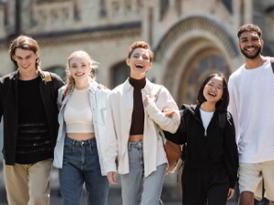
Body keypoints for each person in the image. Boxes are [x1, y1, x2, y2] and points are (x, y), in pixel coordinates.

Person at [0, 35, 65, 205]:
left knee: (38, 198)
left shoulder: (52, 83)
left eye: (28, 56)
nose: (24, 62)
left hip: (42, 154)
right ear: (14, 57)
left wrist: (93, 87)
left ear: (37, 54)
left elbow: (72, 104)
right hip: (14, 156)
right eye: (19, 57)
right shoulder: (4, 85)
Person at [228, 24, 274, 205]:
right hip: (248, 151)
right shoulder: (235, 79)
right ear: (239, 46)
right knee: (245, 197)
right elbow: (233, 120)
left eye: (253, 39)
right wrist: (232, 151)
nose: (249, 43)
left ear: (261, 42)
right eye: (244, 40)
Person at [105, 41, 180, 205]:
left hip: (155, 152)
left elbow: (173, 126)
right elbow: (110, 132)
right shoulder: (115, 95)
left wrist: (152, 108)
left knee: (149, 203)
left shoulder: (160, 92)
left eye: (145, 57)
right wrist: (109, 163)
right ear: (128, 61)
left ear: (150, 64)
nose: (140, 59)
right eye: (136, 56)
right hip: (128, 155)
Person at [164, 73, 238, 205]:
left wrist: (232, 181)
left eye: (219, 87)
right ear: (203, 87)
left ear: (223, 94)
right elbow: (178, 139)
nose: (213, 89)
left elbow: (231, 151)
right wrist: (166, 121)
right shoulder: (187, 114)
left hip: (218, 175)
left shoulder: (225, 118)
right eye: (210, 84)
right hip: (192, 174)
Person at [53, 50, 110, 205]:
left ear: (90, 67)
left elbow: (114, 124)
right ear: (69, 69)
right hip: (69, 154)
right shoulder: (62, 93)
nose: (79, 69)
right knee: (69, 202)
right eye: (74, 66)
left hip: (96, 154)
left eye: (83, 65)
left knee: (98, 202)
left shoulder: (103, 93)